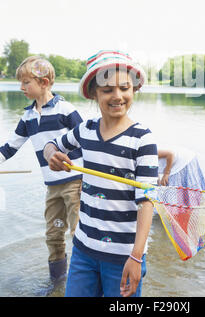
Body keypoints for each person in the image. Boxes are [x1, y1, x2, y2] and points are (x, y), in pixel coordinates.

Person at [43, 50, 158, 298]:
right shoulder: (86, 129)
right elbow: (52, 144)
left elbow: (146, 201)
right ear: (94, 94)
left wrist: (136, 256)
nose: (117, 96)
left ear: (134, 90)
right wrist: (51, 155)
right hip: (84, 250)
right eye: (107, 90)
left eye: (124, 88)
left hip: (124, 256)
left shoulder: (142, 139)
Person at [0, 56, 83, 287]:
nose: (21, 87)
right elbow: (9, 148)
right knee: (53, 235)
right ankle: (57, 283)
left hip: (75, 182)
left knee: (79, 234)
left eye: (26, 82)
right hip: (52, 187)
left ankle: (82, 281)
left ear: (44, 82)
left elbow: (86, 138)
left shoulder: (65, 109)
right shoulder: (27, 117)